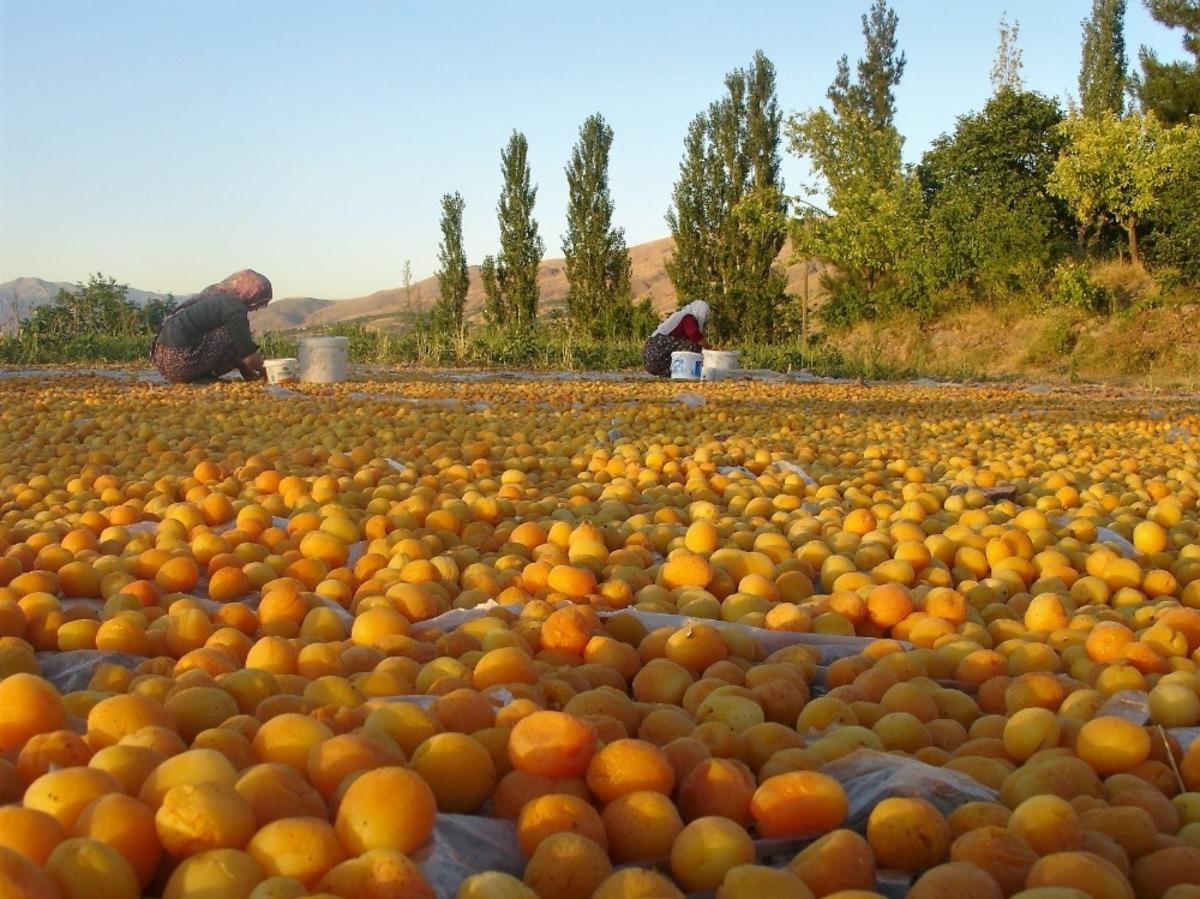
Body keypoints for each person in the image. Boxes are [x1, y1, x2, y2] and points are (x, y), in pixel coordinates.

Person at [151, 269, 272, 383]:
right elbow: (248, 356)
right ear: (252, 293)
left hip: (164, 362)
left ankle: (200, 377)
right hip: (181, 362)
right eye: (261, 301)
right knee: (235, 334)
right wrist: (265, 370)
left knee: (235, 334)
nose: (257, 308)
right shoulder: (233, 305)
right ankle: (192, 375)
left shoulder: (215, 297)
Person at [643, 300, 710, 377]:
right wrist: (709, 346)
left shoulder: (680, 316)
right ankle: (687, 372)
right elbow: (694, 335)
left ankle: (677, 373)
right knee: (694, 345)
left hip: (650, 358)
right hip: (656, 353)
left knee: (687, 348)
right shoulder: (688, 318)